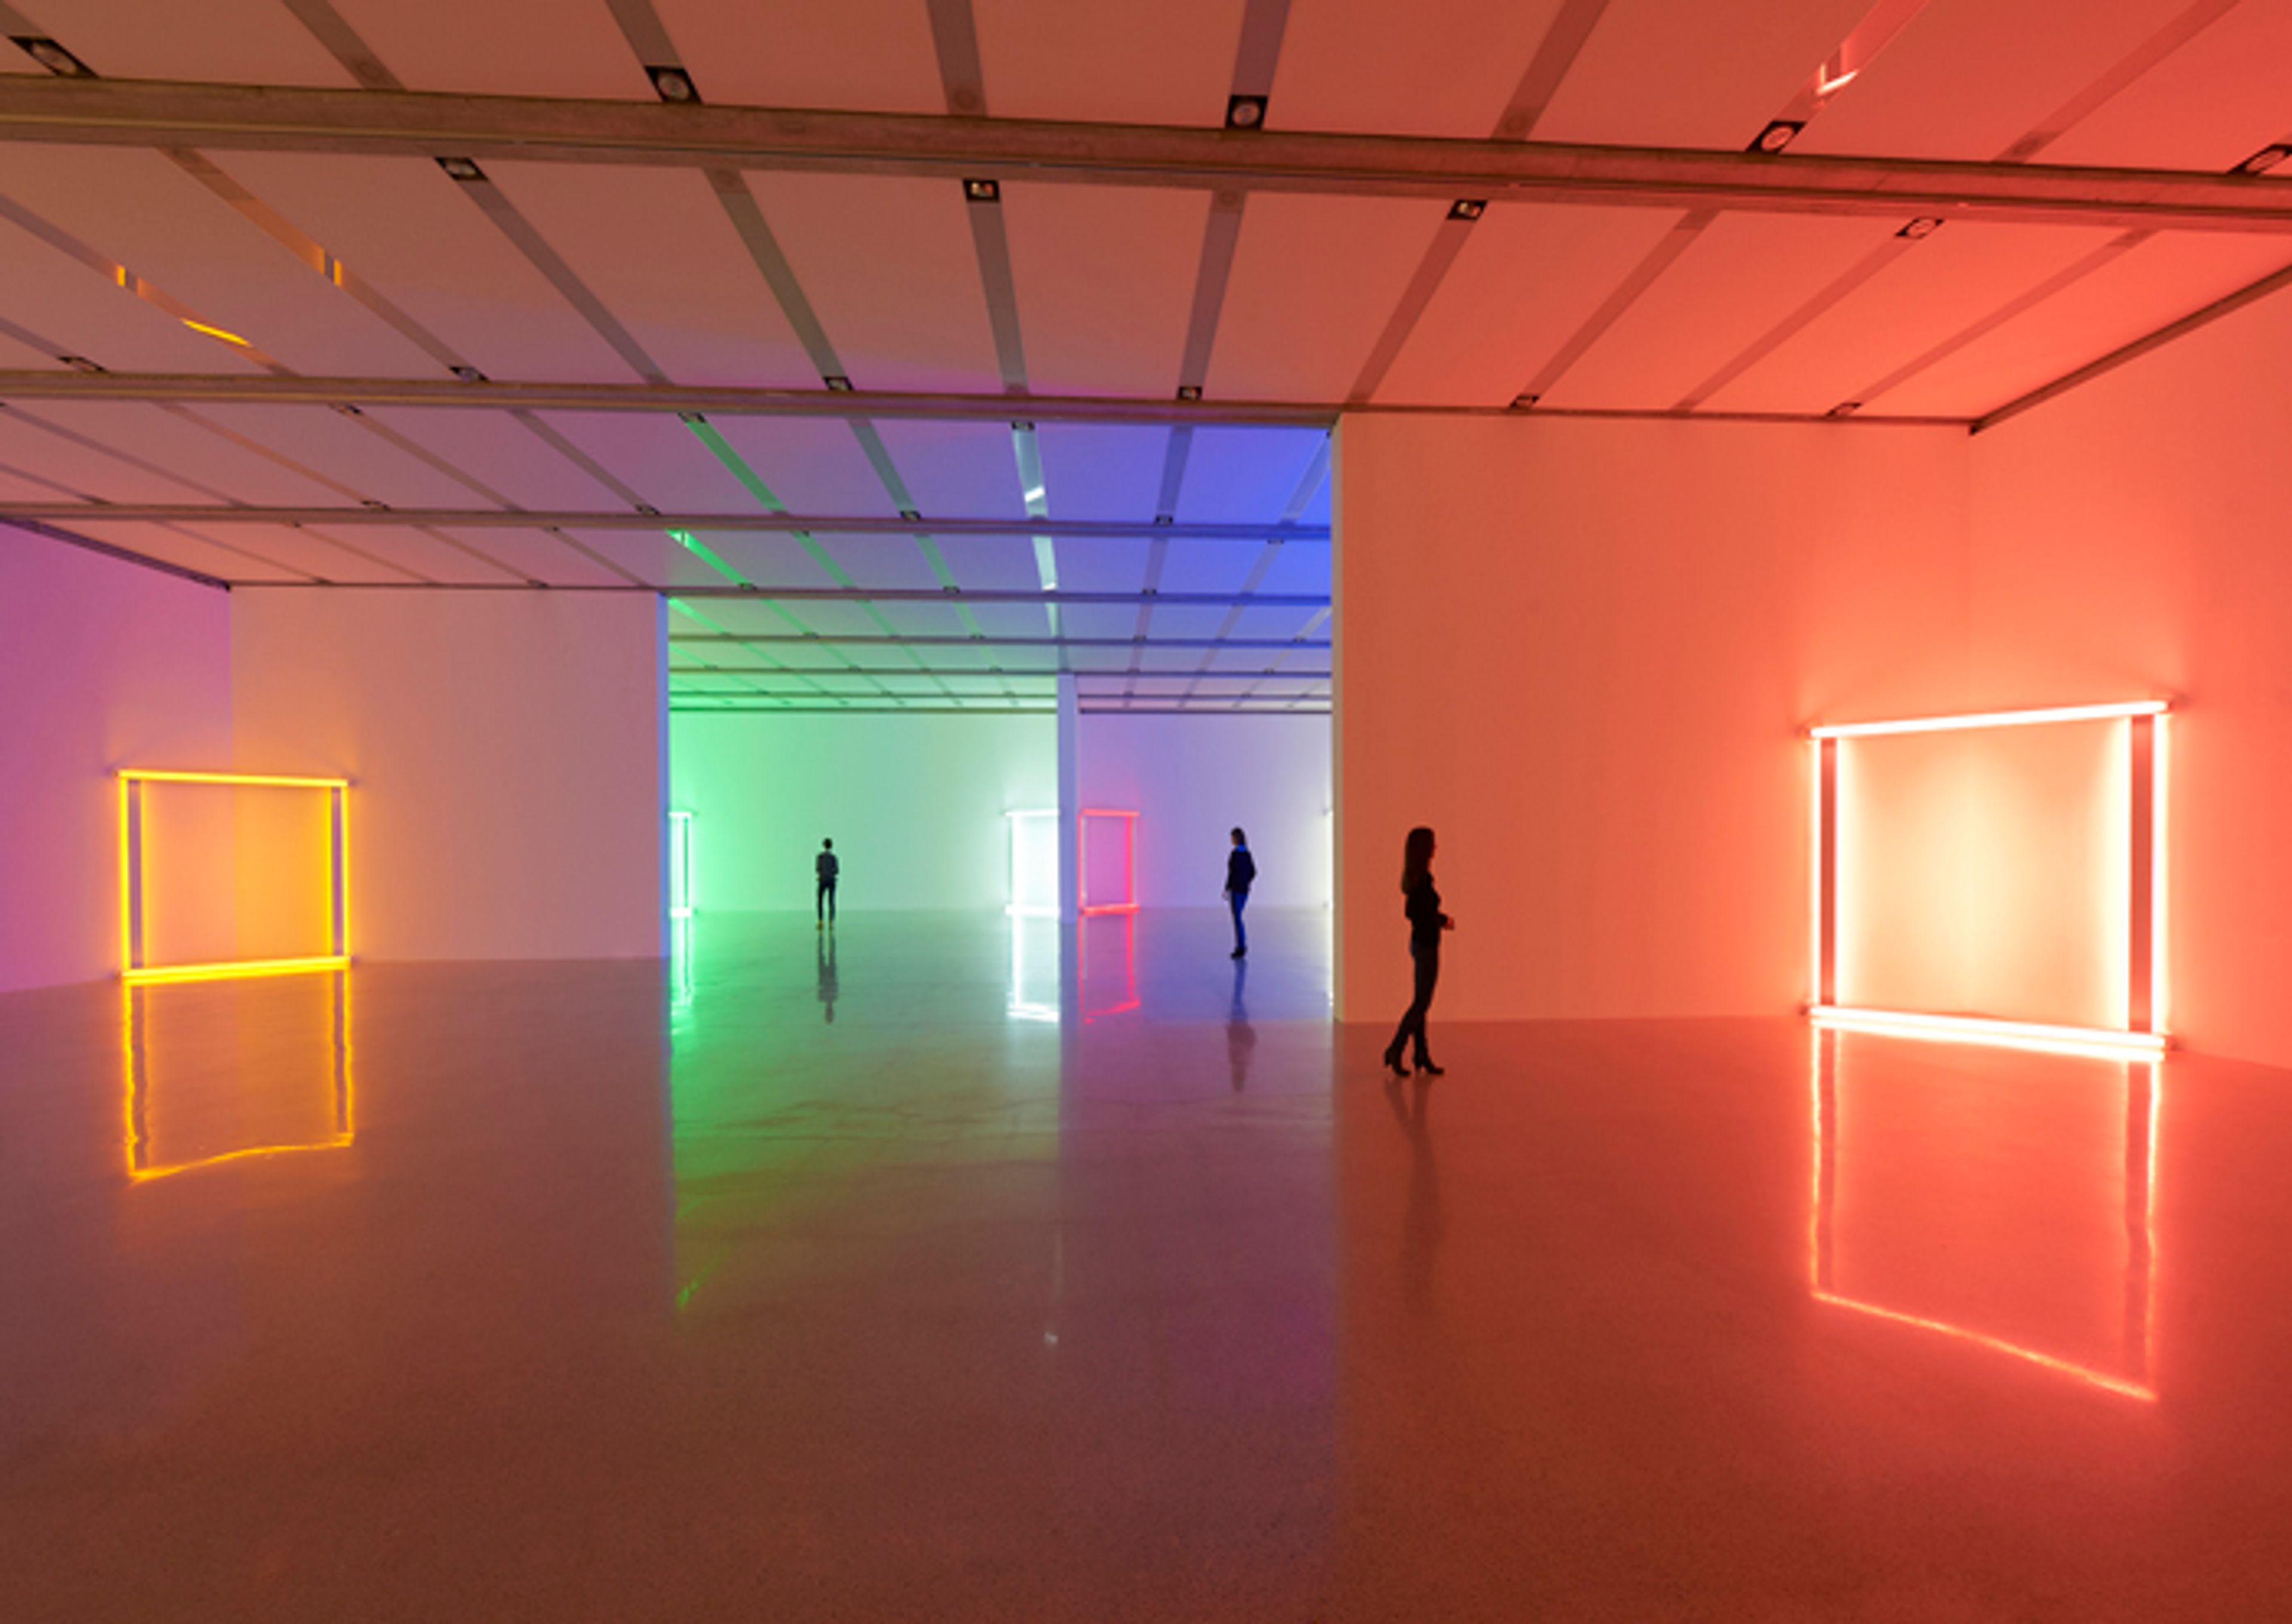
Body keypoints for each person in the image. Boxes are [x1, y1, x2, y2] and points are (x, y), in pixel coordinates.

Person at [1384, 825, 1453, 1078]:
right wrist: (1442, 920)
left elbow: (1413, 913)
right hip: (1427, 945)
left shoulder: (1416, 878)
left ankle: (1421, 1055)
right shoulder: (1422, 880)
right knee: (1421, 1003)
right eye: (1433, 844)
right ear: (1425, 849)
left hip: (1419, 944)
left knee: (1421, 1002)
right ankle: (1396, 1049)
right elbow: (1418, 914)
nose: (1436, 848)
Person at [1223, 827, 1256, 960]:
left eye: (1232, 837)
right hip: (1245, 890)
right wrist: (1246, 882)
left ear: (1236, 839)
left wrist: (1227, 888)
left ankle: (1241, 947)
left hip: (1236, 891)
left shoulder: (1235, 854)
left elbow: (1231, 874)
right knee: (1239, 918)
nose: (1231, 840)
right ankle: (1241, 945)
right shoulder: (1248, 854)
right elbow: (1253, 872)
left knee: (1237, 920)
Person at [815, 837, 839, 928]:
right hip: (831, 880)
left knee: (820, 901)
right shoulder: (833, 858)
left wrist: (823, 873)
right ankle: (831, 922)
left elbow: (817, 869)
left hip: (822, 880)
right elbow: (836, 870)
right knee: (831, 901)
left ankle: (821, 921)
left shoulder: (820, 857)